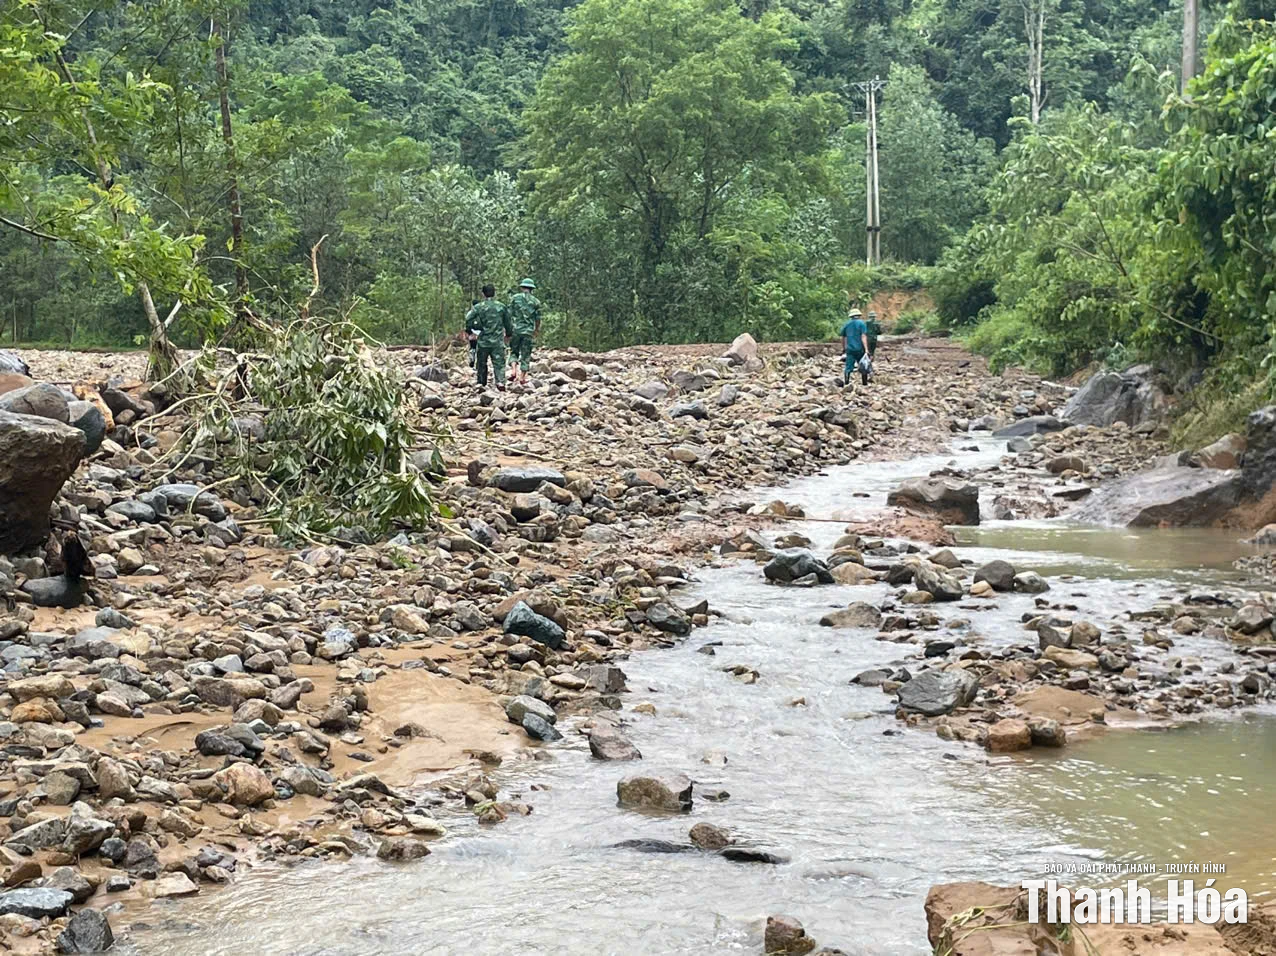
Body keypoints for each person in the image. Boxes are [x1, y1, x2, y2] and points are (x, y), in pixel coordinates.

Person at [465, 284, 512, 389]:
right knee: (499, 362)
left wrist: (470, 330)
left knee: (481, 362)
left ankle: (481, 382)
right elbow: (508, 322)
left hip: (483, 340)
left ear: (483, 294)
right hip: (497, 340)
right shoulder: (501, 307)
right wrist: (509, 334)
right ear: (494, 293)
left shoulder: (478, 307)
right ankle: (500, 382)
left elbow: (468, 318)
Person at [507, 278, 542, 387]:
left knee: (514, 351)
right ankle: (522, 377)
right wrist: (536, 330)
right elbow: (537, 318)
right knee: (526, 354)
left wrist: (507, 330)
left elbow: (509, 314)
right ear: (532, 289)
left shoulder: (515, 298)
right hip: (528, 331)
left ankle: (513, 370)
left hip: (516, 329)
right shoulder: (536, 302)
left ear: (522, 287)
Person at [839, 307, 870, 388]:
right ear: (858, 315)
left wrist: (844, 348)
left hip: (850, 349)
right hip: (860, 349)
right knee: (863, 365)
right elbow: (863, 336)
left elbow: (843, 337)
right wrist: (866, 349)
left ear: (851, 316)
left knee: (848, 366)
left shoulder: (847, 324)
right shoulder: (862, 323)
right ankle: (864, 383)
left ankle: (846, 382)